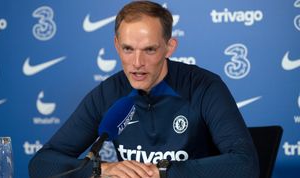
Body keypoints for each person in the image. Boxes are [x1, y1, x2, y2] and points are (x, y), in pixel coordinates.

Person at [29, 1, 259, 178]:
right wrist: (102, 169)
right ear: (117, 46)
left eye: (149, 49)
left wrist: (163, 171)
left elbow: (245, 164)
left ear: (170, 47)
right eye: (128, 49)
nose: (137, 62)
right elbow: (42, 163)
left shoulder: (204, 86)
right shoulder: (108, 93)